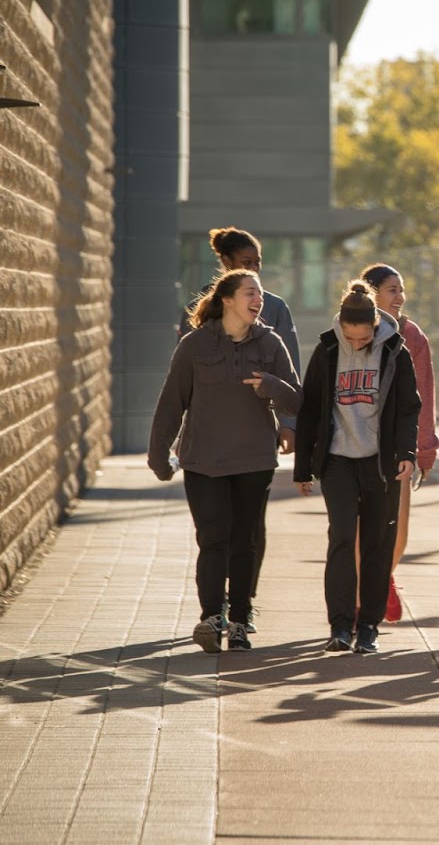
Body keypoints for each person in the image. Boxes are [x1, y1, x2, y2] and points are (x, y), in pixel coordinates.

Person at [148, 269, 301, 653]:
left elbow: (297, 401)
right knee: (213, 539)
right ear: (228, 299)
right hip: (203, 462)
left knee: (245, 541)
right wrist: (159, 455)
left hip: (254, 461)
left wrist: (273, 386)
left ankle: (240, 620)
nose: (259, 300)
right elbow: (172, 403)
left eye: (261, 295)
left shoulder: (271, 343)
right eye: (251, 293)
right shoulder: (195, 345)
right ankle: (211, 617)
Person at [181, 226, 302, 633]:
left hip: (254, 438)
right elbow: (185, 375)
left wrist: (288, 424)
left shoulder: (277, 310)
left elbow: (289, 375)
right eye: (246, 264)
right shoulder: (202, 307)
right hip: (211, 440)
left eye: (258, 265)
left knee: (250, 528)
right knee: (215, 528)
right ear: (227, 266)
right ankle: (216, 606)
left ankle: (241, 603)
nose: (255, 272)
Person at [293, 281, 421, 655]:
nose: (355, 343)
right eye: (350, 336)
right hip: (338, 461)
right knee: (342, 537)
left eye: (363, 338)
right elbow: (311, 408)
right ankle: (339, 624)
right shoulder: (328, 349)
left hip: (380, 464)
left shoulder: (395, 351)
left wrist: (407, 453)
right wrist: (303, 467)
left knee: (378, 544)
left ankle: (368, 626)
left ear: (376, 325)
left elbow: (409, 407)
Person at [360, 263, 439, 624]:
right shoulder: (350, 331)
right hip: (354, 446)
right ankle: (364, 592)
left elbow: (423, 395)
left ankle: (382, 577)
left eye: (401, 289)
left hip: (397, 448)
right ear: (371, 292)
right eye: (392, 289)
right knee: (359, 526)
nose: (401, 297)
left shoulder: (413, 335)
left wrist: (425, 448)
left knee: (398, 528)